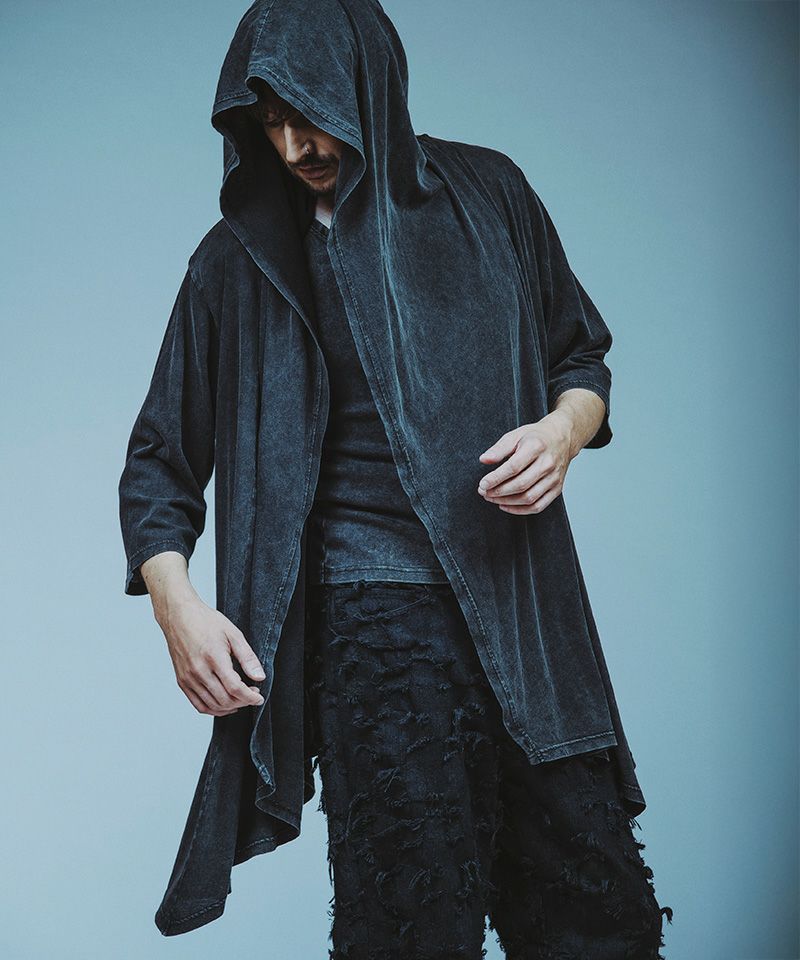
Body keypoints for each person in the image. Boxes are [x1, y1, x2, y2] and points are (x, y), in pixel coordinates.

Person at [118, 0, 673, 955]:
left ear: (369, 85)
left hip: (522, 605)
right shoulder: (235, 263)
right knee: (414, 928)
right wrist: (178, 611)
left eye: (312, 114)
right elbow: (157, 461)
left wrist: (561, 433)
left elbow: (580, 357)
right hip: (370, 617)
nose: (294, 146)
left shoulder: (490, 194)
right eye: (270, 122)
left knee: (600, 917)